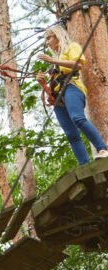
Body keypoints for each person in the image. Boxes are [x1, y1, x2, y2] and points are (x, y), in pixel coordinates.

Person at [36, 25, 108, 165]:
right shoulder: (55, 61)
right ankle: (84, 164)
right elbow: (54, 82)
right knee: (71, 134)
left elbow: (78, 65)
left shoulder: (71, 47)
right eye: (46, 39)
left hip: (72, 87)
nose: (47, 42)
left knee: (78, 118)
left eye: (49, 37)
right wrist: (42, 82)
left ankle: (102, 149)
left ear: (58, 36)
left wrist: (53, 61)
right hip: (58, 97)